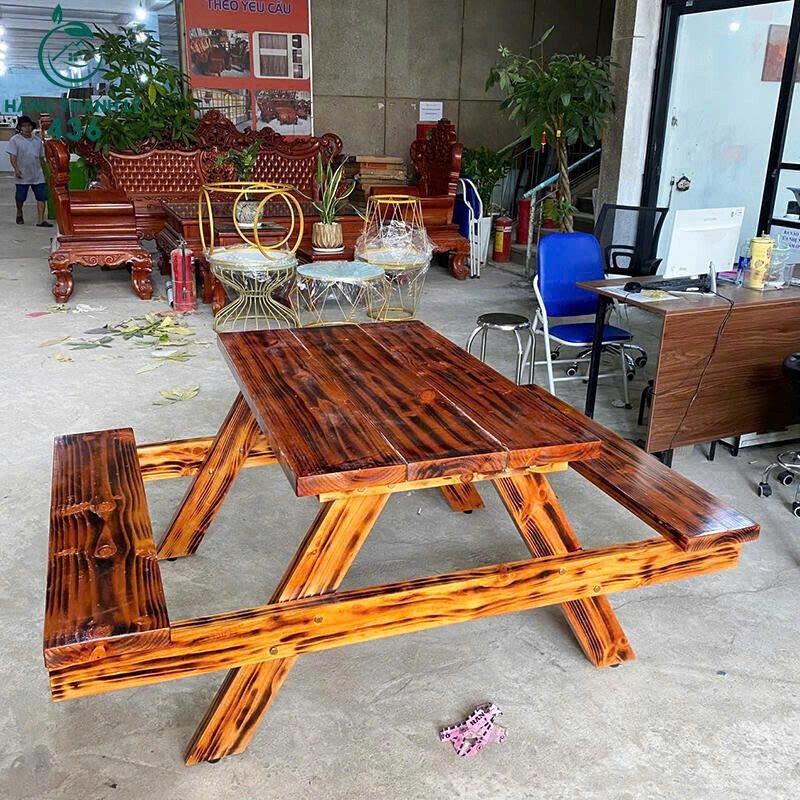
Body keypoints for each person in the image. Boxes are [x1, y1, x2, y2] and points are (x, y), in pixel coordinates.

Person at [7, 115, 52, 227]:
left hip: (37, 174)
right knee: (20, 197)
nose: (27, 128)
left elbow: (41, 158)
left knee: (41, 197)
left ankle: (40, 220)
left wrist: (45, 172)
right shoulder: (15, 140)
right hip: (22, 174)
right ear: (20, 128)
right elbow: (13, 157)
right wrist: (16, 169)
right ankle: (19, 213)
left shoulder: (37, 141)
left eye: (29, 126)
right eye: (24, 126)